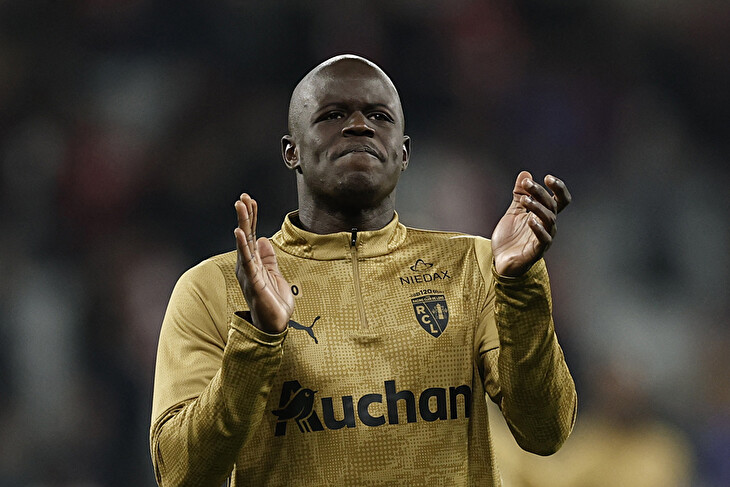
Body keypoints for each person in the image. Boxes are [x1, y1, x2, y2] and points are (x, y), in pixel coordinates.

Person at [150, 54, 577, 486]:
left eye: (378, 116)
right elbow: (181, 474)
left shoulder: (475, 268)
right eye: (333, 115)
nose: (359, 125)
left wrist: (519, 286)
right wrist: (257, 340)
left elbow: (545, 431)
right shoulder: (214, 288)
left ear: (403, 153)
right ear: (291, 151)